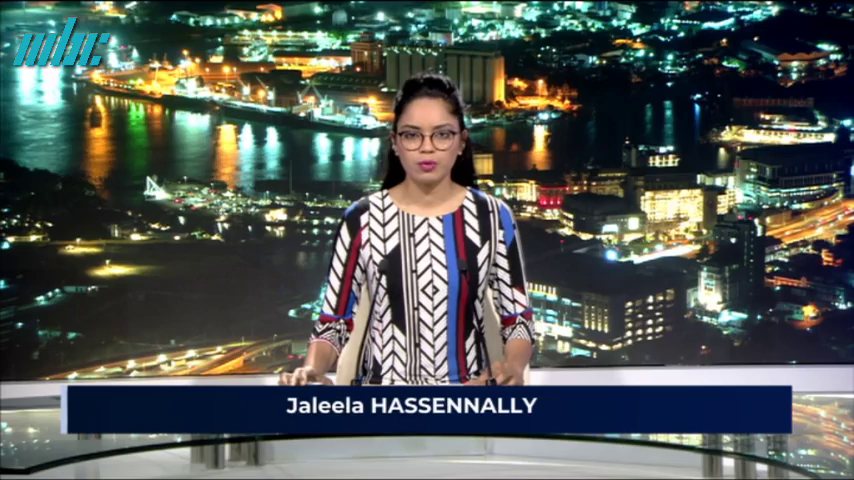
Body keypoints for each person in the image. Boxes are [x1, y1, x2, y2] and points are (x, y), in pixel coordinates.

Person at [280, 72, 534, 386]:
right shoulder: (361, 218)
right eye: (412, 135)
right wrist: (312, 369)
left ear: (461, 142)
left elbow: (518, 319)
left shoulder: (493, 216)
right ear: (395, 143)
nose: (427, 148)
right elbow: (334, 322)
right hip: (380, 400)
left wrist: (513, 368)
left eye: (442, 135)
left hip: (468, 398)